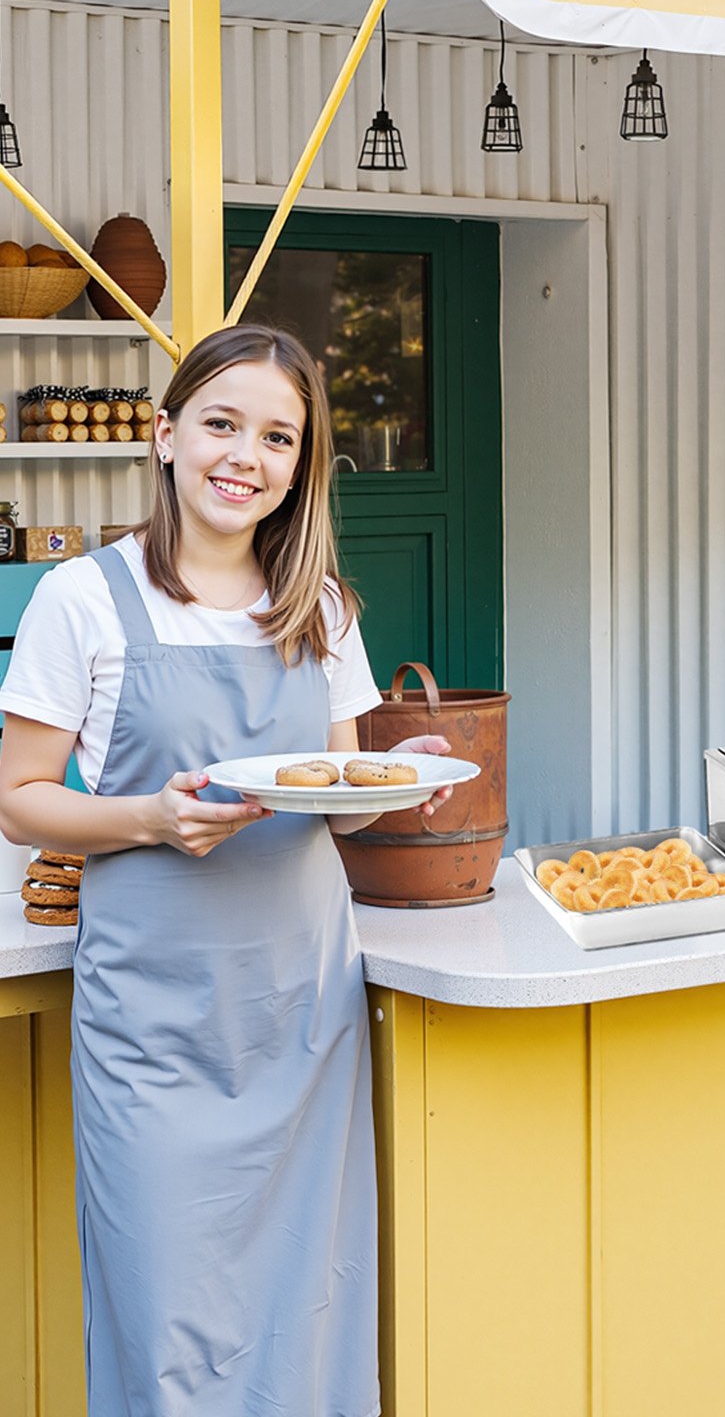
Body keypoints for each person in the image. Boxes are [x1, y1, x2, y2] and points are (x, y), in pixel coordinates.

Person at [0, 324, 451, 1415]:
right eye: (221, 423)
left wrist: (397, 776)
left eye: (279, 436)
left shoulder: (323, 609)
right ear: (163, 436)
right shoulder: (83, 598)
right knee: (167, 1332)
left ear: (302, 464)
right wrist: (151, 818)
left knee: (310, 1312)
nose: (245, 454)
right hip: (155, 1030)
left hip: (302, 1018)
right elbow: (20, 799)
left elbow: (337, 800)